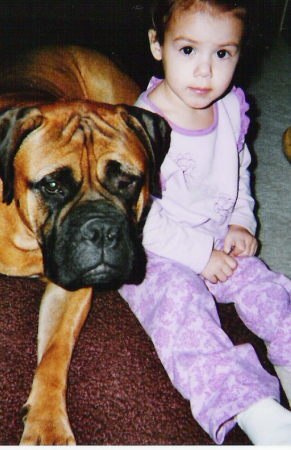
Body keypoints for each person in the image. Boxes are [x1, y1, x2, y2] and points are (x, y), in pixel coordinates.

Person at [119, 0, 291, 444]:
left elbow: (239, 169)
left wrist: (240, 221)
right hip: (157, 251)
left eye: (222, 54)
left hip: (218, 237)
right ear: (157, 45)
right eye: (188, 50)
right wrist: (199, 256)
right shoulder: (144, 123)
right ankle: (254, 409)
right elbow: (140, 214)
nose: (204, 73)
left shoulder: (230, 107)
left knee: (267, 289)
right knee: (182, 314)